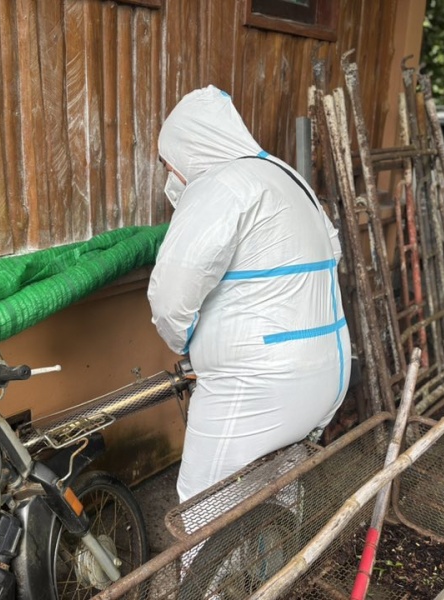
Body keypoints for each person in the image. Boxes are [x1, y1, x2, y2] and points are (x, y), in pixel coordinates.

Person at [148, 85, 351, 503]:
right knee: (275, 489)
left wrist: (183, 343)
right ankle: (280, 546)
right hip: (329, 372)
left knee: (204, 505)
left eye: (170, 164)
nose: (173, 176)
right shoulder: (287, 176)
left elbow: (172, 293)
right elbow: (333, 253)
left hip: (259, 386)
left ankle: (226, 552)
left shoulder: (219, 185)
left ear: (189, 149)